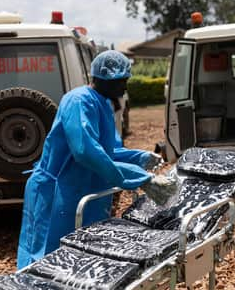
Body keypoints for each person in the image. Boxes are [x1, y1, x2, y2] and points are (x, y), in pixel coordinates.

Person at [17, 50, 163, 270]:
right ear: (105, 80)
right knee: (45, 257)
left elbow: (109, 150)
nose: (125, 87)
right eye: (122, 81)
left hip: (81, 189)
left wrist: (140, 158)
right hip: (56, 192)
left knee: (79, 258)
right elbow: (85, 150)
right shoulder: (78, 101)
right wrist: (138, 178)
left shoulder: (102, 104)